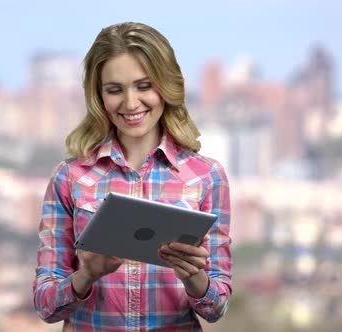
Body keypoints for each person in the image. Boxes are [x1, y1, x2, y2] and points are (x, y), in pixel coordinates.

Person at [33, 22, 232, 331]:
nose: (130, 103)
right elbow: (45, 306)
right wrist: (85, 275)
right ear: (99, 96)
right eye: (114, 90)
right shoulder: (69, 178)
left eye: (144, 86)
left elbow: (217, 306)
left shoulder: (207, 177)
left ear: (166, 86)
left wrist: (194, 277)